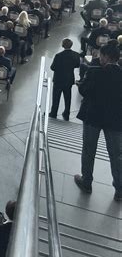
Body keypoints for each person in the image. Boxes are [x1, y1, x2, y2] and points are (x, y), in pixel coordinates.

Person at [74, 42, 122, 201]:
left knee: (89, 150)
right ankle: (119, 189)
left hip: (92, 116)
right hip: (115, 121)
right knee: (116, 155)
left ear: (106, 57)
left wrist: (81, 83)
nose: (99, 58)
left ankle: (86, 182)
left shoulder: (94, 72)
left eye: (101, 55)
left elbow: (83, 90)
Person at [49, 38, 81, 120]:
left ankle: (53, 113)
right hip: (69, 79)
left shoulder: (58, 55)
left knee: (56, 97)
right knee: (68, 97)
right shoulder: (76, 55)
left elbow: (53, 67)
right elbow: (77, 65)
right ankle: (66, 113)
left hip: (58, 79)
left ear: (63, 45)